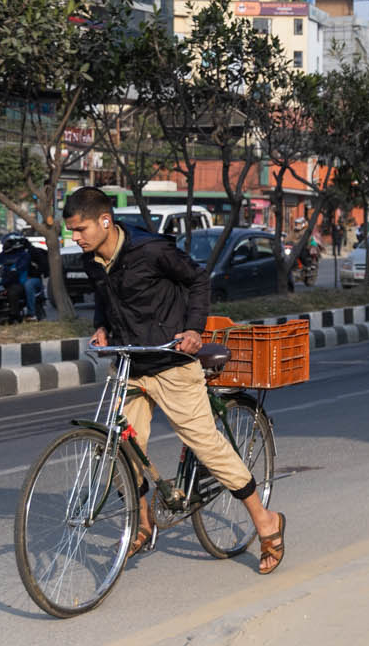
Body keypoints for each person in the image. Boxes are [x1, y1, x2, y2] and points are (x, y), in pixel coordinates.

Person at [62, 186, 287, 572]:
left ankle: (266, 521)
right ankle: (143, 523)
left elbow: (198, 279)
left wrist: (195, 328)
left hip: (171, 363)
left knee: (206, 445)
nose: (76, 238)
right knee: (122, 449)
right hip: (132, 363)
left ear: (105, 221)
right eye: (72, 231)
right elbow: (104, 297)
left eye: (80, 229)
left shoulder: (151, 250)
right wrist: (101, 327)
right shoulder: (92, 259)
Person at [0, 234, 47, 322]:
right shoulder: (8, 253)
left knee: (28, 285)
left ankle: (31, 314)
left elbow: (21, 267)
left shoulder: (29, 252)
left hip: (32, 278)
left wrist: (33, 273)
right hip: (16, 278)